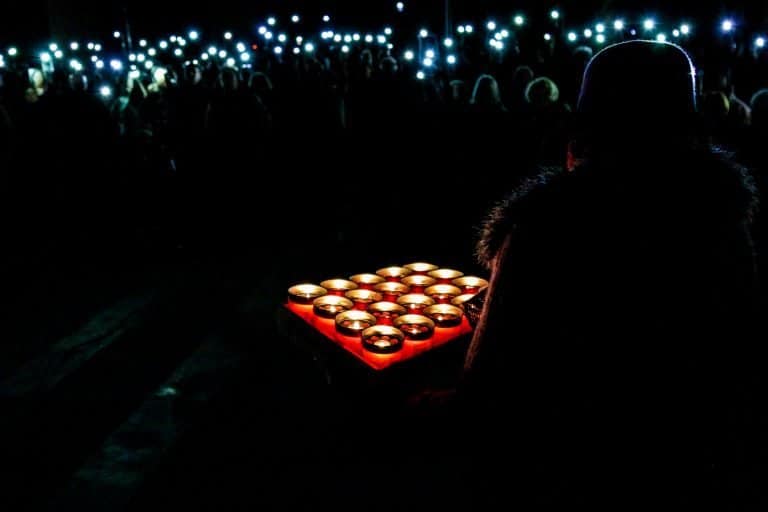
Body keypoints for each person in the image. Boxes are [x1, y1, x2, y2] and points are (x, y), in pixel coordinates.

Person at [459, 41, 760, 507]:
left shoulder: (547, 224)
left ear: (587, 125)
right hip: (692, 462)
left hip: (561, 464)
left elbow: (490, 380)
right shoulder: (719, 218)